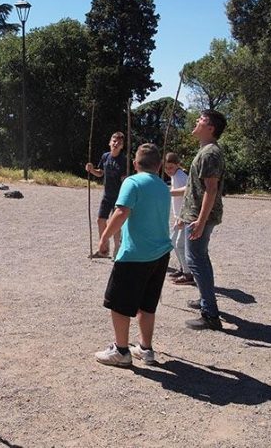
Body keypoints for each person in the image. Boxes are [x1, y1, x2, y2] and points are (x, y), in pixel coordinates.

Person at [94, 143, 173, 367]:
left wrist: (104, 238)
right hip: (160, 255)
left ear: (135, 163)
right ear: (159, 166)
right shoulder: (162, 185)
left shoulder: (132, 182)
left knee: (119, 304)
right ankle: (145, 349)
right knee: (147, 304)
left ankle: (121, 351)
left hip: (135, 255)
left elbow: (121, 212)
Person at [172, 110, 227, 330]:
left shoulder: (210, 153)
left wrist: (201, 221)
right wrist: (169, 192)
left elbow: (211, 190)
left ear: (211, 128)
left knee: (196, 260)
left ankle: (210, 315)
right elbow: (196, 186)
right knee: (200, 259)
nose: (196, 121)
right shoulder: (205, 151)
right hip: (196, 216)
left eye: (201, 120)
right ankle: (206, 301)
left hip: (199, 217)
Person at [85, 132, 127, 258]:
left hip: (119, 196)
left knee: (116, 224)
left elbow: (125, 179)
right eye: (114, 141)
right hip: (107, 195)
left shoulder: (123, 160)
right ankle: (104, 249)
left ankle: (117, 251)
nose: (115, 144)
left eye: (119, 143)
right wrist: (92, 170)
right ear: (110, 142)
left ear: (122, 146)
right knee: (100, 220)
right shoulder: (105, 157)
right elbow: (100, 173)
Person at [163, 152, 194, 285]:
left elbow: (187, 191)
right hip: (179, 216)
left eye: (171, 167)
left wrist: (167, 192)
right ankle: (183, 268)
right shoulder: (176, 175)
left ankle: (188, 274)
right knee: (173, 242)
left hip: (184, 216)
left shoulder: (180, 176)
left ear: (177, 165)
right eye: (166, 168)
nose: (168, 170)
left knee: (178, 244)